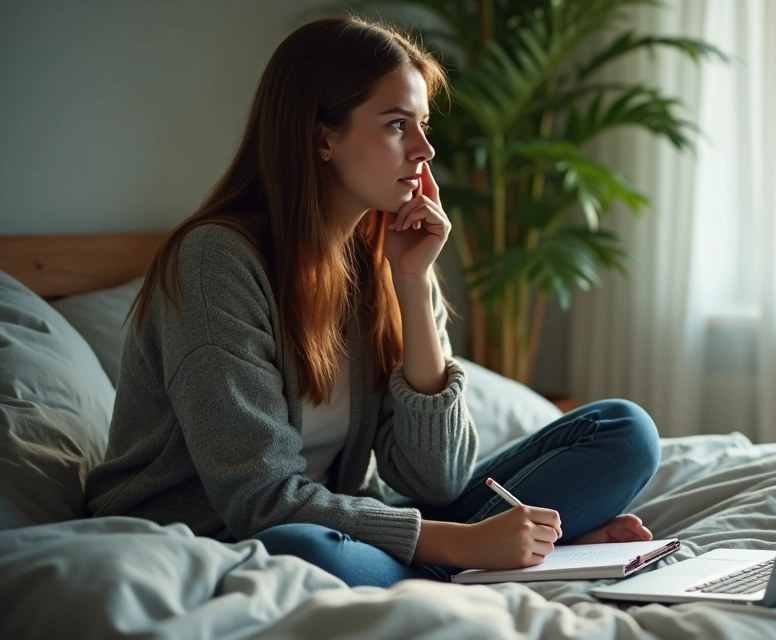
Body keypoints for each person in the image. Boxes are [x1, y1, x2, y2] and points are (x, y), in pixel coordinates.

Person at [84, 16, 661, 588]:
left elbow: (436, 479)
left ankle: (480, 559)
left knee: (623, 430)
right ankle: (487, 561)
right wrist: (463, 541)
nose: (425, 149)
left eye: (423, 124)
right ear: (321, 138)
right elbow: (259, 502)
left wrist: (411, 281)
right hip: (227, 533)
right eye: (396, 125)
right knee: (302, 549)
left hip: (349, 524)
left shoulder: (388, 256)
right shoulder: (216, 261)